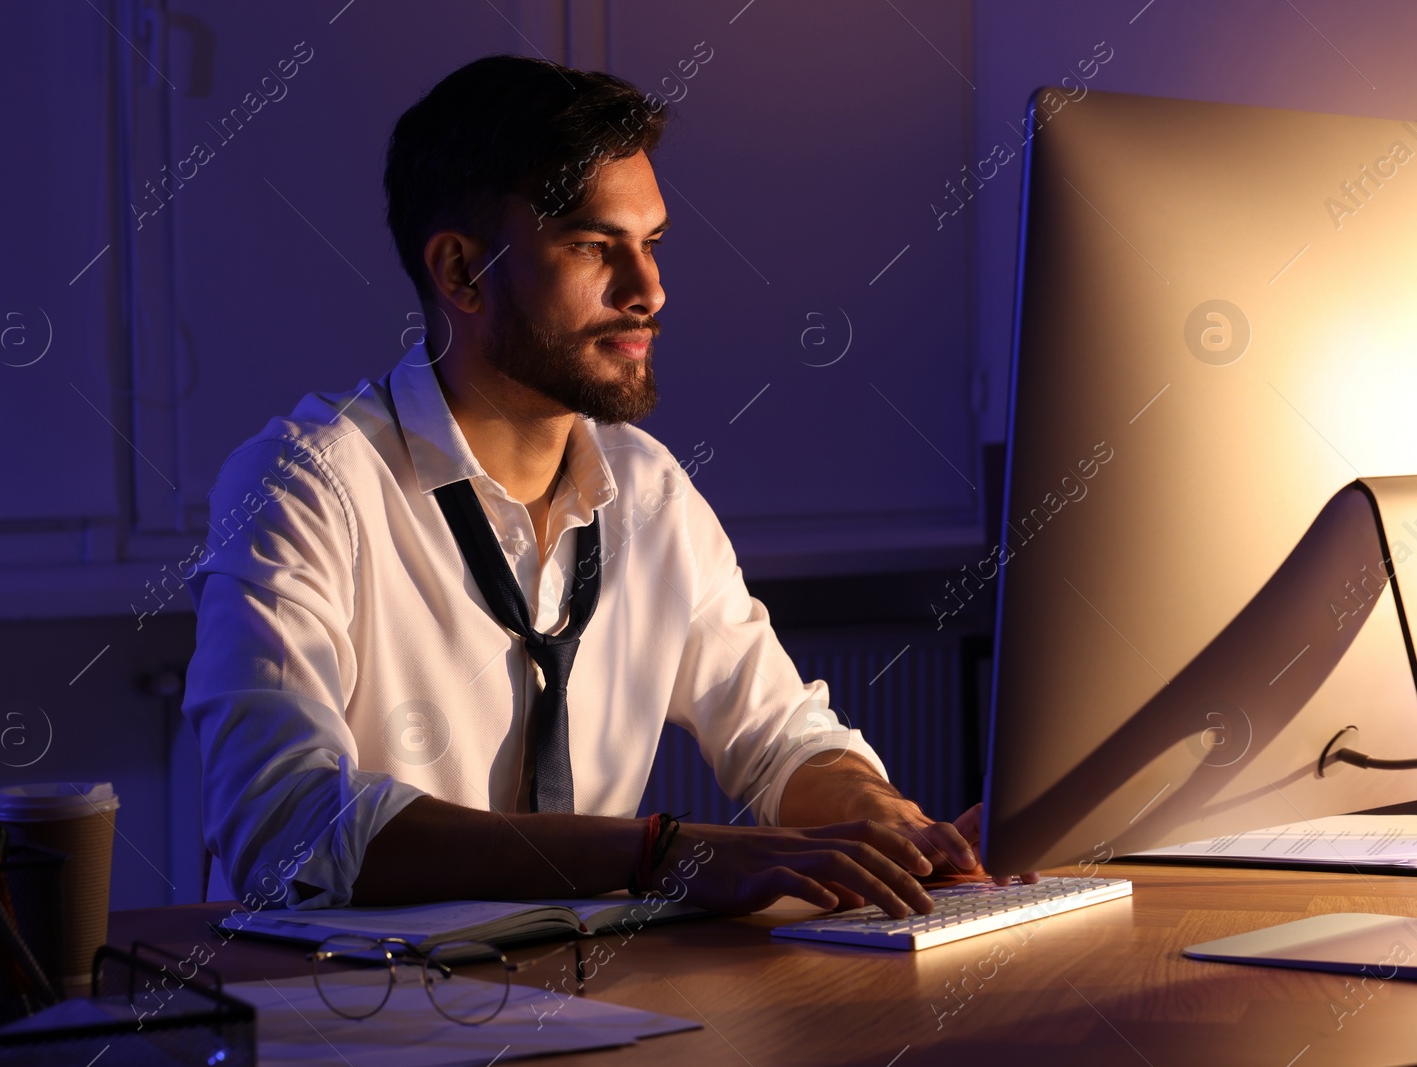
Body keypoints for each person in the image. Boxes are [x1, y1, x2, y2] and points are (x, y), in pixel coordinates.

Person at [183, 53, 1028, 920]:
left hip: (580, 1005)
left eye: (652, 244)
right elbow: (282, 826)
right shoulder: (304, 483)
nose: (650, 291)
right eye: (593, 246)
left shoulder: (649, 488)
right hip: (342, 1027)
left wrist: (887, 825)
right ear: (461, 272)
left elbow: (782, 739)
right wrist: (661, 853)